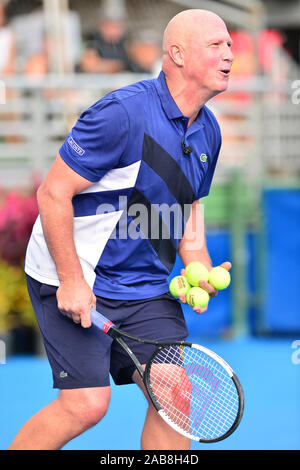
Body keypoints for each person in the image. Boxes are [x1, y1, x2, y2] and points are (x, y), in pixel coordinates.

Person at [9, 9, 234, 450]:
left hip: (145, 286)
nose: (230, 54)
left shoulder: (209, 131)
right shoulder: (122, 114)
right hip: (75, 273)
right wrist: (71, 281)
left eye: (229, 45)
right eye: (216, 45)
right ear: (178, 55)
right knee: (85, 405)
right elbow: (53, 193)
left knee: (176, 393)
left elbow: (188, 209)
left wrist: (198, 269)